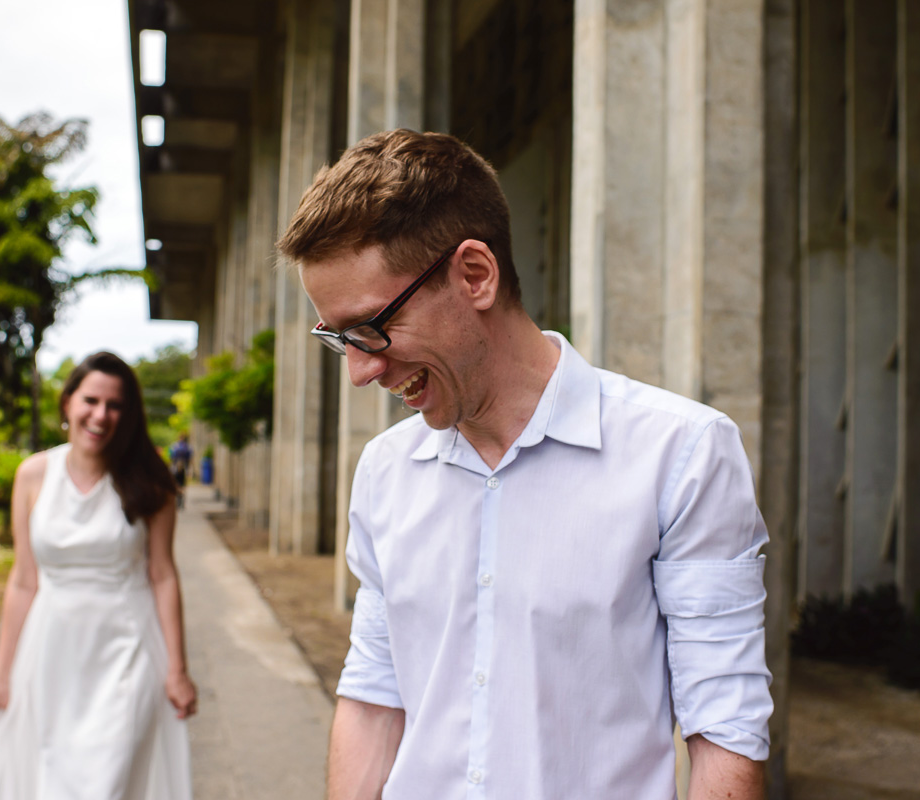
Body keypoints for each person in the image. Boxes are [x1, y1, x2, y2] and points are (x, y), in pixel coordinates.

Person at [277, 129, 773, 800]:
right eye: (341, 341)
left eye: (371, 328)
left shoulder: (680, 454)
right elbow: (374, 692)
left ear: (474, 275)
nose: (361, 371)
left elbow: (725, 726)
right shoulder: (384, 471)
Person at [0, 352, 196, 800]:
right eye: (90, 400)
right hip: (49, 651)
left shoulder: (152, 482)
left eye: (115, 405)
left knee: (110, 778)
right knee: (49, 776)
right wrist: (1, 678)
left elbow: (163, 575)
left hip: (127, 650)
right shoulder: (32, 475)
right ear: (68, 401)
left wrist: (178, 670)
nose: (100, 415)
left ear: (129, 415)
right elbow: (23, 580)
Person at [169, 432, 192, 508]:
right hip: (183, 468)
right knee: (182, 486)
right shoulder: (187, 447)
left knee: (177, 484)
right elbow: (189, 458)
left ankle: (179, 500)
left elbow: (171, 456)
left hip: (177, 468)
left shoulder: (175, 446)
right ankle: (181, 501)